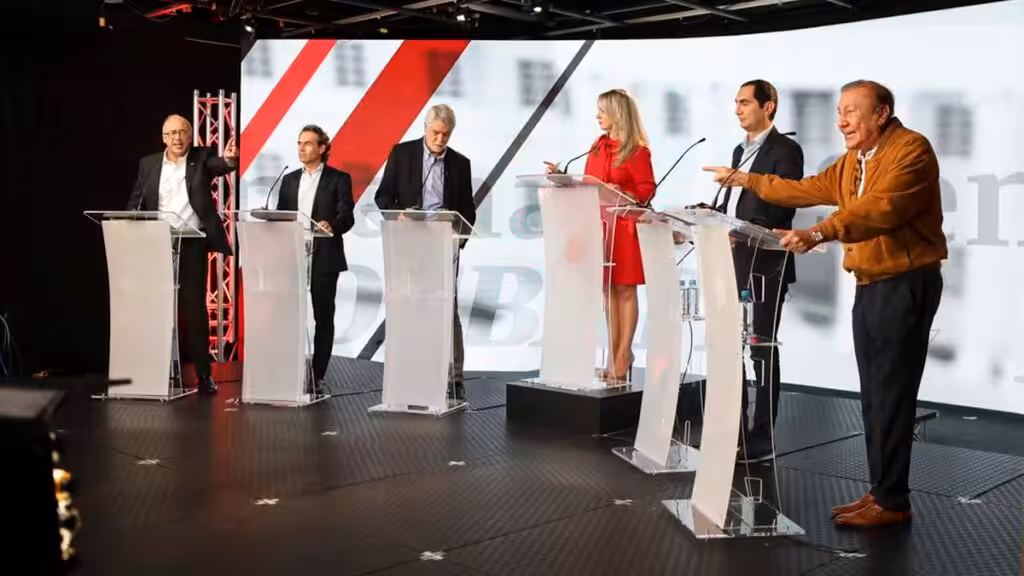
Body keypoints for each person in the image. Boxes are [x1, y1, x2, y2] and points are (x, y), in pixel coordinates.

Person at [704, 80, 946, 528]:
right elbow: (807, 189)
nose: (841, 121)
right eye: (839, 112)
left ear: (882, 113)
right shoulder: (854, 161)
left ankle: (893, 502)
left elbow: (880, 209)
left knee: (892, 393)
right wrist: (745, 179)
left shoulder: (911, 150)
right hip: (871, 282)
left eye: (852, 111)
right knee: (874, 395)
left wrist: (818, 232)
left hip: (905, 283)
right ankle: (882, 493)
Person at [546, 88, 656, 382]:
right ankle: (613, 354)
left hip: (625, 226)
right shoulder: (597, 147)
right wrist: (562, 178)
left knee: (625, 290)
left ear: (617, 113)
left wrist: (625, 193)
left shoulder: (636, 150)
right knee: (607, 292)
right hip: (601, 226)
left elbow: (647, 190)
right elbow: (588, 184)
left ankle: (624, 353)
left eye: (602, 110)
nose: (597, 116)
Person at [126, 114, 238, 394]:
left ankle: (203, 375)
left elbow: (220, 165)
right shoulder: (148, 164)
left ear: (191, 135)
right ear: (164, 138)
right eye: (172, 133)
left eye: (183, 132)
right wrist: (127, 224)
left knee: (194, 309)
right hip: (157, 241)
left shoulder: (201, 158)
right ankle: (151, 370)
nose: (177, 138)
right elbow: (136, 200)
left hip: (191, 241)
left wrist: (230, 160)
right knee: (156, 306)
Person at [723, 80, 805, 464]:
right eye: (736, 103)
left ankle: (761, 434)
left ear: (768, 107)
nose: (737, 109)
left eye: (744, 102)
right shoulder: (740, 150)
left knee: (762, 348)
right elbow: (735, 203)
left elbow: (783, 204)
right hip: (735, 262)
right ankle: (734, 426)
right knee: (732, 347)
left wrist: (747, 226)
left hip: (767, 264)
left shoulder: (785, 150)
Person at [374, 104, 476, 401]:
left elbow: (468, 209)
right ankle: (413, 371)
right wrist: (398, 214)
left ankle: (454, 378)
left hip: (444, 244)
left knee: (447, 310)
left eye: (446, 134)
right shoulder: (402, 154)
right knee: (412, 306)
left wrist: (459, 238)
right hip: (409, 243)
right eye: (436, 133)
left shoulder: (460, 163)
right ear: (425, 128)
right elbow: (382, 196)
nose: (441, 139)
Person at [276, 125, 355, 388]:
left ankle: (316, 375)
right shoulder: (288, 180)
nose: (301, 147)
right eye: (299, 143)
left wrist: (331, 224)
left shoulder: (338, 179)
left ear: (322, 148)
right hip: (293, 256)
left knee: (323, 316)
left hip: (324, 257)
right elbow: (281, 217)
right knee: (290, 317)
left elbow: (347, 218)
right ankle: (289, 368)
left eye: (308, 143)